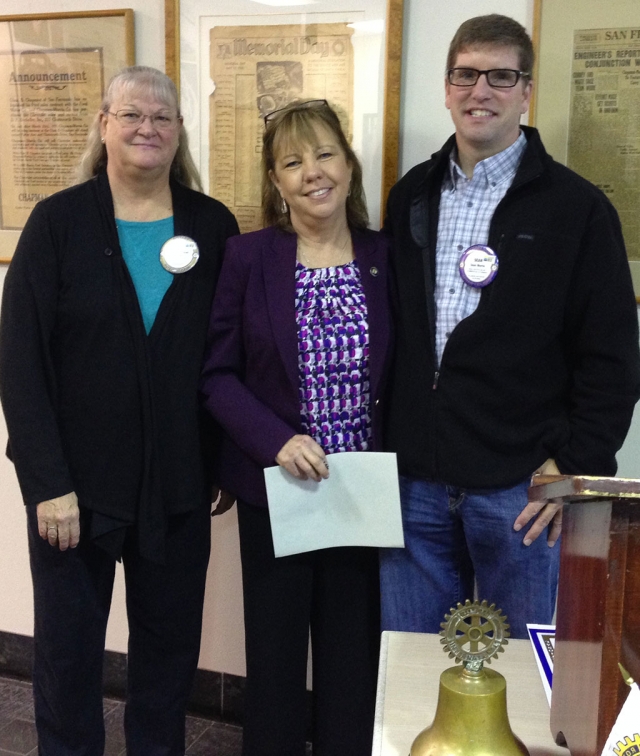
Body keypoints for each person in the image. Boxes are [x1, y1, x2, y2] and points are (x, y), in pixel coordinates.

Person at [0, 66, 238, 754]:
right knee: (69, 660)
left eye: (162, 117)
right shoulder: (58, 223)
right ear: (103, 125)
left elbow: (229, 357)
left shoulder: (213, 226)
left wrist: (218, 459)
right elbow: (21, 364)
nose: (147, 128)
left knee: (167, 660)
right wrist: (47, 485)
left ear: (179, 131)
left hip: (179, 489)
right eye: (132, 114)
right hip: (75, 494)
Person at [380, 15, 640, 640]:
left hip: (522, 491)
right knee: (414, 667)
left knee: (521, 677)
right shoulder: (411, 194)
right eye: (466, 74)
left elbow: (612, 357)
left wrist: (573, 466)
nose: (481, 91)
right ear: (446, 88)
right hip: (415, 483)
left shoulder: (577, 209)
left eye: (501, 76)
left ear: (526, 92)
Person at [200, 99, 391, 756]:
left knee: (352, 661)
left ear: (349, 164)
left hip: (363, 497)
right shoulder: (249, 258)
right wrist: (274, 440)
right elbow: (217, 375)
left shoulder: (386, 256)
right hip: (280, 493)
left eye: (325, 153)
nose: (313, 171)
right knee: (277, 664)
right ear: (275, 182)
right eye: (293, 161)